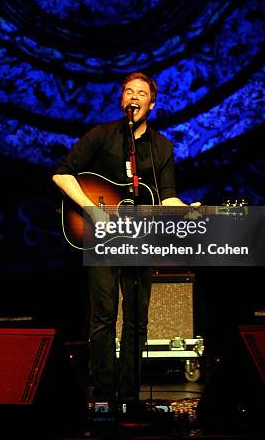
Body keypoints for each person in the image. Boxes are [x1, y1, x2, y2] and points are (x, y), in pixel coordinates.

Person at [52, 72, 188, 412]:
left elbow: (167, 197)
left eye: (141, 93)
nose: (134, 96)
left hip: (140, 240)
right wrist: (89, 209)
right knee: (104, 315)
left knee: (137, 319)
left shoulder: (162, 148)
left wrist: (188, 211)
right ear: (121, 100)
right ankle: (102, 394)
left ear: (152, 104)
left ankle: (130, 396)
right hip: (101, 237)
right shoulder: (102, 135)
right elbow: (62, 173)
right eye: (129, 91)